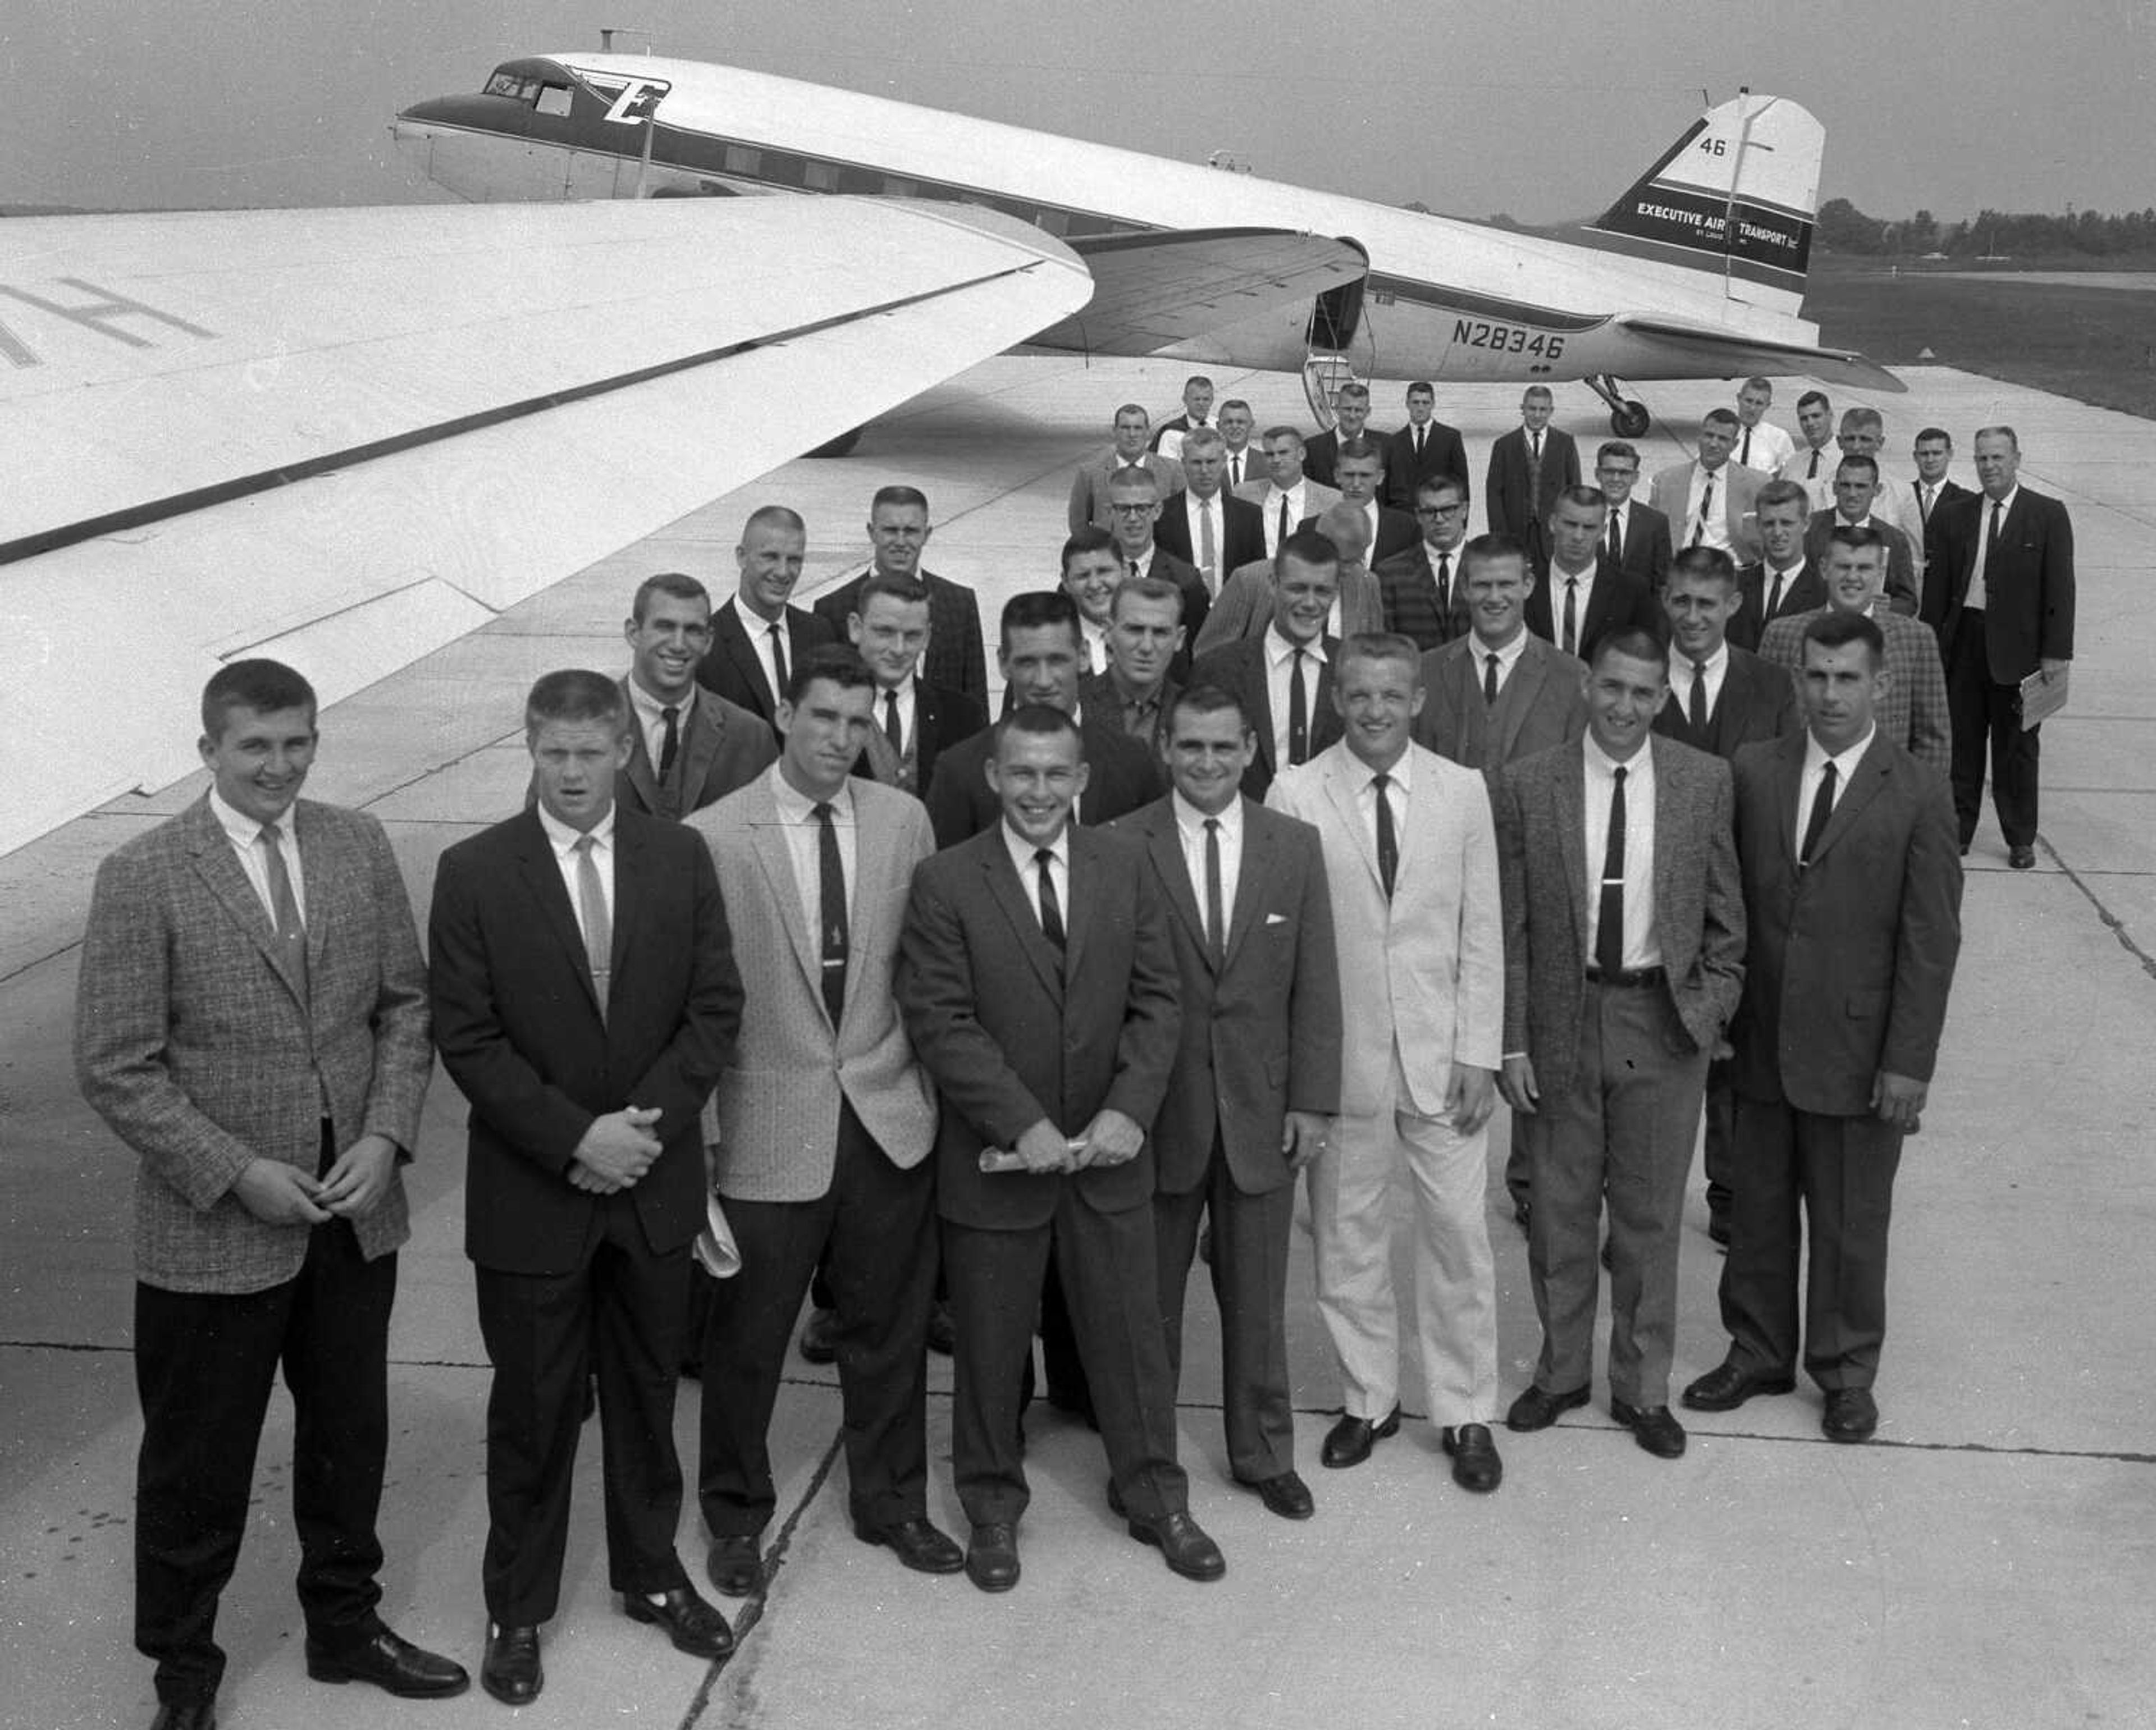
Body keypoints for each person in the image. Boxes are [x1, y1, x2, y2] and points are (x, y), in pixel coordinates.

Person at [75, 660, 467, 1730]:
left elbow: (404, 1006)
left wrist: (387, 1134)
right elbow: (117, 1064)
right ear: (208, 752)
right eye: (255, 747)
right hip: (215, 1232)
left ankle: (346, 1626)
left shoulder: (356, 843)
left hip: (351, 1216)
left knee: (350, 1444)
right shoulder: (145, 873)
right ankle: (186, 1672)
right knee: (198, 1465)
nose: (279, 766)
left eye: (298, 743)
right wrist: (233, 1171)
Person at [428, 671, 744, 1705]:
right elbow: (467, 1037)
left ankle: (651, 1575)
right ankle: (517, 1606)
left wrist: (638, 1133)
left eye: (590, 752)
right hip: (537, 1193)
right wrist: (577, 1141)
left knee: (650, 1395)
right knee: (534, 1408)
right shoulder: (474, 870)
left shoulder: (679, 853)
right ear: (529, 746)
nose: (572, 772)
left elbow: (714, 1008)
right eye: (554, 752)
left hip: (651, 1184)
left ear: (621, 750)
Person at [898, 706, 1226, 1590]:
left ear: (1081, 779)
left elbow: (1160, 1003)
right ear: (995, 778)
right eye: (1023, 773)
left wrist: (1129, 1112)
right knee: (992, 1350)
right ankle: (993, 1510)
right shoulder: (946, 880)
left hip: (1112, 1162)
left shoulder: (1126, 866)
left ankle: (1159, 1495)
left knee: (1132, 1342)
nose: (1039, 791)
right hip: (1001, 1169)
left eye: (1056, 774)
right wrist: (1021, 1121)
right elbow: (940, 1017)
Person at [690, 652, 961, 1600]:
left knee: (888, 1328)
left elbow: (929, 970)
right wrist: (703, 1137)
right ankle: (734, 1514)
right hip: (768, 1121)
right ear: (782, 714)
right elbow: (700, 1003)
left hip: (887, 1116)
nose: (841, 737)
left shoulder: (903, 819)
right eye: (823, 718)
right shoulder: (715, 837)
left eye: (857, 719)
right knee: (749, 1339)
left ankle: (890, 1502)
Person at [1683, 611, 1962, 1444]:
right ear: (1797, 679)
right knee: (1758, 1211)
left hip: (1860, 1051)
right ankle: (1758, 1350)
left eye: (1847, 678)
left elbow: (1931, 940)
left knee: (1849, 1223)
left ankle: (1844, 1372)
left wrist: (1908, 1063)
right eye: (1816, 676)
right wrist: (1717, 1017)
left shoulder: (1916, 790)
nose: (1830, 693)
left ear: (1879, 685)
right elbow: (1721, 907)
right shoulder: (1756, 771)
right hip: (1761, 1041)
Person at [1495, 629, 1746, 1460]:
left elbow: (1725, 923)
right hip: (1564, 1019)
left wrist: (1703, 1017)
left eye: (1643, 692)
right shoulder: (1532, 785)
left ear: (1663, 698)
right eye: (1611, 687)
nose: (1624, 706)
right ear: (1586, 684)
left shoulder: (1702, 782)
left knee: (1647, 1218)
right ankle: (1562, 1372)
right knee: (1560, 1213)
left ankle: (1642, 1387)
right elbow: (1515, 929)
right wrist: (1514, 1042)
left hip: (1659, 1025)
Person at [1267, 635, 1506, 1494]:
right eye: (1359, 694)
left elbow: (1481, 929)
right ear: (1338, 699)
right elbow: (1285, 945)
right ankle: (1367, 1398)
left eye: (1391, 695)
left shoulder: (1461, 791)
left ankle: (1464, 1407)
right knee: (1347, 1234)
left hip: (1443, 1057)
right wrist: (1302, 1075)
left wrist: (1480, 1049)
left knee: (1457, 1235)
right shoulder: (1295, 791)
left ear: (1419, 701)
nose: (1375, 710)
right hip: (1342, 1061)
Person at [1116, 684, 1342, 1519]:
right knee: (1151, 1305)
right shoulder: (1121, 844)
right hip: (1159, 1116)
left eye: (1222, 747)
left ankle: (1262, 1452)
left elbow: (1315, 982)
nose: (1206, 763)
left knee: (1257, 1299)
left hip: (1261, 1112)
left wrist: (1313, 1102)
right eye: (1190, 747)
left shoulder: (1294, 845)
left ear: (1251, 749)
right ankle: (1144, 1459)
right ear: (1165, 750)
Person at [1653, 547, 1799, 1244]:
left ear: (1733, 607)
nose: (1693, 617)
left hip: (1745, 903)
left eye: (1707, 603)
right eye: (1681, 601)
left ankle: (1732, 1198)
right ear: (1665, 600)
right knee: (1654, 1061)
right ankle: (1641, 1206)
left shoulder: (1770, 685)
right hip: (1656, 906)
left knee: (1737, 1059)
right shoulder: (1638, 679)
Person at [1921, 425, 2075, 868]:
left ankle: (2020, 837)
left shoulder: (2047, 515)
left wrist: (2054, 653)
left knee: (2017, 749)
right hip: (1965, 643)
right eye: (1982, 458)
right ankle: (1958, 830)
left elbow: (2060, 591)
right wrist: (1932, 649)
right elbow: (1937, 591)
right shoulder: (1955, 515)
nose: (1990, 466)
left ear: (2017, 459)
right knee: (1963, 745)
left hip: (2020, 652)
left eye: (1998, 458)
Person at [924, 587, 1163, 842]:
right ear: (1004, 663)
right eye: (1028, 663)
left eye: (1057, 661)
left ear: (1083, 655)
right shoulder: (959, 771)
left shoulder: (1132, 761)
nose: (1044, 680)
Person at [1761, 527, 1951, 780]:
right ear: (1824, 568)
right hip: (1797, 789)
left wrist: (1920, 807)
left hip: (1885, 799)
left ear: (1880, 573)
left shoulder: (1916, 639)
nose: (1853, 577)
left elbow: (1933, 739)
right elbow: (1761, 725)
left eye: (1864, 568)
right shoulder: (1782, 635)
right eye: (1843, 567)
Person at [1412, 533, 1587, 780]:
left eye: (1506, 584)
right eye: (1483, 585)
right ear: (1465, 588)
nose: (1494, 598)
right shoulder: (1425, 672)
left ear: (1528, 586)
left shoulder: (1572, 678)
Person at [1189, 529, 1346, 799]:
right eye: (1298, 588)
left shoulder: (1353, 668)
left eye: (1322, 591)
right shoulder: (1219, 670)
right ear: (1273, 584)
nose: (1310, 603)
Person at [607, 573, 777, 821]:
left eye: (693, 630)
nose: (678, 644)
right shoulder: (581, 726)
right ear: (634, 633)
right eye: (665, 627)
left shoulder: (750, 738)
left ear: (708, 641)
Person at [811, 485, 988, 702]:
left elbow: (976, 702)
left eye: (911, 531)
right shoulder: (832, 609)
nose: (901, 542)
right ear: (871, 532)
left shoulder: (960, 605)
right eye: (891, 531)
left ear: (927, 534)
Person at [695, 505, 838, 728]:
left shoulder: (820, 634)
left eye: (794, 560)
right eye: (770, 557)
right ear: (741, 557)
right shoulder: (705, 645)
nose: (783, 572)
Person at [846, 573, 989, 796]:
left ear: (928, 637)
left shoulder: (963, 715)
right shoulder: (827, 713)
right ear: (856, 628)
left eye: (912, 636)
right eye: (885, 632)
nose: (899, 649)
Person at [1194, 502, 1384, 655]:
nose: (1352, 570)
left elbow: (1373, 653)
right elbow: (1210, 655)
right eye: (1344, 561)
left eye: (1358, 559)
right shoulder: (1249, 580)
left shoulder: (1367, 582)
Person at [1525, 485, 1663, 663]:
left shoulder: (1632, 592)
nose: (1578, 536)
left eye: (1589, 527)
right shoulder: (1524, 587)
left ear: (1603, 532)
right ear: (1552, 524)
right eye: (1570, 524)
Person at [1105, 466, 1211, 645]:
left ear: (1158, 510)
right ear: (1110, 512)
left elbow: (1197, 652)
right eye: (1124, 509)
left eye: (1141, 508)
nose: (1133, 518)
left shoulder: (1186, 581)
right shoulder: (1092, 579)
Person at [1153, 426, 1266, 595]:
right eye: (1197, 462)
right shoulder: (1162, 515)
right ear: (1183, 463)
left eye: (1211, 462)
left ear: (1224, 461)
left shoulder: (1249, 516)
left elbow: (1257, 574)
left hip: (1234, 613)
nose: (1204, 471)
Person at [1802, 455, 1920, 614]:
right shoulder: (1807, 530)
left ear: (1877, 490)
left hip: (1872, 633)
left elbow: (1909, 602)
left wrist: (1889, 607)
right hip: (1815, 630)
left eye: (1861, 486)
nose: (1852, 494)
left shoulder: (1894, 539)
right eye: (1846, 485)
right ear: (1835, 488)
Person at [1080, 575, 1187, 745]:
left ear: (1179, 639)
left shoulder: (1198, 714)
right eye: (1135, 630)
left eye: (1160, 633)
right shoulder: (1076, 705)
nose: (1146, 647)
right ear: (1108, 631)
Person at [1648, 409, 1764, 564]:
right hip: (1680, 571)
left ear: (1735, 445)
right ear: (1699, 437)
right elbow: (1653, 535)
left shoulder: (1758, 484)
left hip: (1729, 574)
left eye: (1723, 439)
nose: (1713, 444)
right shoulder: (1665, 481)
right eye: (1709, 435)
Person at [1373, 473, 1472, 649]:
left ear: (1464, 510)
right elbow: (1387, 645)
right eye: (1430, 512)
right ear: (1418, 515)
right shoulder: (1391, 574)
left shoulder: (1487, 568)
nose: (1439, 519)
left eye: (1448, 509)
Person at [1732, 480, 1827, 654]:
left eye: (1787, 523)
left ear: (1806, 524)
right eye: (1769, 524)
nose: (1777, 533)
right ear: (1758, 525)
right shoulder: (1734, 586)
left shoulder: (1824, 592)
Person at [1485, 386, 1579, 560]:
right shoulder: (1504, 445)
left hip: (1553, 536)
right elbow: (1494, 494)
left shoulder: (1565, 443)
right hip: (1515, 534)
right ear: (1523, 409)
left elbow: (1574, 492)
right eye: (1532, 409)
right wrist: (1499, 536)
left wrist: (1569, 532)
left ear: (1551, 411)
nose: (1537, 415)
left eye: (1543, 409)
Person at [1068, 403, 1182, 534]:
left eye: (1138, 428)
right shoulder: (1089, 474)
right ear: (1115, 431)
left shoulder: (1173, 471)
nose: (1132, 434)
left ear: (1147, 431)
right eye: (1125, 428)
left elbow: (1183, 521)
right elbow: (1078, 526)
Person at [1310, 436, 1419, 564]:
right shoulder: (1311, 527)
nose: (1356, 484)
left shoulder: (1407, 528)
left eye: (1365, 475)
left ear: (1380, 477)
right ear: (1337, 476)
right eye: (1349, 475)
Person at [1240, 424, 1340, 558]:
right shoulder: (1244, 494)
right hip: (1258, 575)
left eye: (1283, 453)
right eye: (1270, 454)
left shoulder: (1331, 500)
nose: (1276, 460)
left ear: (1302, 454)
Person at [1592, 440, 1673, 592]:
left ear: (1635, 477)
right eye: (1609, 471)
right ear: (1598, 474)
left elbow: (1662, 583)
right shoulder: (1582, 517)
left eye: (1624, 473)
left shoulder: (1655, 523)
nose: (1616, 479)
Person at [1383, 380, 1469, 511]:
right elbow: (1385, 488)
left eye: (1425, 403)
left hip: (1440, 517)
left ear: (1433, 404)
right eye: (1416, 402)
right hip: (1403, 519)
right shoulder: (1393, 442)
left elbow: (1461, 485)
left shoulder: (1451, 438)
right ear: (1407, 404)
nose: (1420, 408)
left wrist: (1461, 525)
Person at [1302, 379, 1381, 489]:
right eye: (1347, 409)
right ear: (1336, 409)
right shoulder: (1312, 449)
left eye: (1358, 410)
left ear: (1368, 412)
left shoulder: (1387, 446)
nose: (1352, 416)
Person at [1908, 426, 1970, 541]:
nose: (1930, 460)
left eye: (1937, 453)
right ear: (1915, 457)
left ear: (1950, 454)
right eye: (1924, 454)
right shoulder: (1901, 495)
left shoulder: (1967, 500)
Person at [1779, 389, 1837, 509]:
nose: (1810, 423)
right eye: (1804, 418)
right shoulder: (1792, 464)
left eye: (1816, 416)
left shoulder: (1845, 458)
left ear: (1830, 415)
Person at [1732, 376, 1797, 475]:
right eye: (1749, 401)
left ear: (1767, 406)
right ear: (1739, 398)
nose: (1752, 408)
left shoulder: (1780, 437)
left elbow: (1790, 473)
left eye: (1759, 403)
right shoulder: (1722, 431)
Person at [1149, 373, 1215, 460]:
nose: (1201, 404)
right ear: (1185, 400)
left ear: (1212, 401)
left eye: (1206, 399)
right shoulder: (1171, 433)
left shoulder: (1220, 427)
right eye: (1197, 399)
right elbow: (1166, 469)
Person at [1216, 397, 1264, 492]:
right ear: (1218, 426)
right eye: (1229, 422)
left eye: (1241, 422)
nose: (1235, 427)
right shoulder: (1205, 462)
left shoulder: (1267, 464)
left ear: (1252, 425)